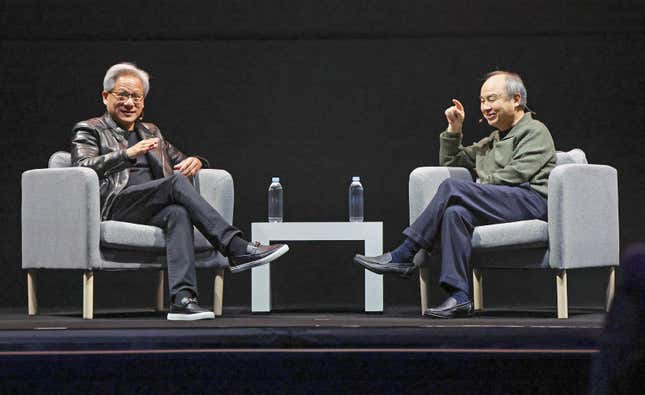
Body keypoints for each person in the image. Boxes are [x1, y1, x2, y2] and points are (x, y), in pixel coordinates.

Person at [71, 62, 289, 321]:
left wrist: (197, 161)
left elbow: (180, 160)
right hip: (115, 205)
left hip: (149, 207)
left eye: (136, 97)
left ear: (143, 102)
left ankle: (183, 300)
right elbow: (81, 168)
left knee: (177, 213)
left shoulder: (150, 132)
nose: (130, 102)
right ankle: (235, 247)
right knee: (174, 184)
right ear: (106, 97)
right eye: (123, 95)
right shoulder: (89, 128)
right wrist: (127, 154)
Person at [354, 71, 556, 318]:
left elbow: (517, 175)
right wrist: (454, 129)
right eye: (482, 101)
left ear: (515, 99)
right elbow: (451, 161)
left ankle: (406, 252)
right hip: (500, 202)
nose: (485, 107)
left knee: (453, 188)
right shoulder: (491, 141)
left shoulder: (535, 130)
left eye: (492, 99)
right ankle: (460, 296)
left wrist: (477, 186)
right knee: (455, 213)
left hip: (529, 200)